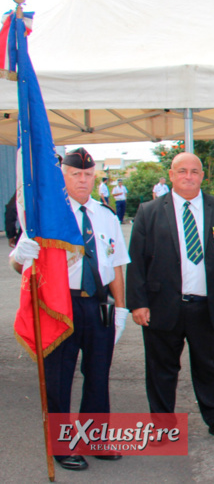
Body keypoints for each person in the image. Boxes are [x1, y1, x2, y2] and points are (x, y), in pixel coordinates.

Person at [10, 147, 130, 471]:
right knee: (59, 378)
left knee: (97, 376)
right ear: (63, 176)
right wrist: (21, 254)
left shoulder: (105, 215)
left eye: (88, 175)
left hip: (98, 304)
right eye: (75, 174)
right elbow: (19, 263)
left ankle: (95, 439)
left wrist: (120, 308)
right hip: (60, 304)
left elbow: (116, 264)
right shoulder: (47, 217)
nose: (82, 180)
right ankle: (61, 446)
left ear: (95, 177)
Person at [126, 152, 214, 443]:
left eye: (194, 171)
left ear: (201, 176)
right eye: (181, 171)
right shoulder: (149, 211)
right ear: (171, 175)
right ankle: (162, 426)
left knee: (212, 367)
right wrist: (138, 303)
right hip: (162, 306)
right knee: (161, 370)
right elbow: (137, 262)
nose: (188, 176)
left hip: (209, 305)